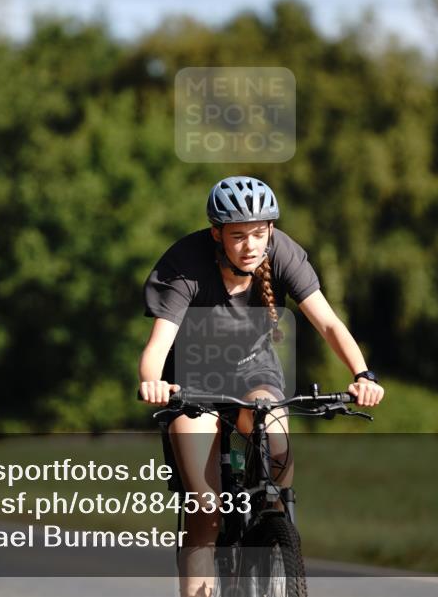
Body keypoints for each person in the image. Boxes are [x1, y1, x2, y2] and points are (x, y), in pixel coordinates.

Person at [138, 175, 384, 597]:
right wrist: (153, 382)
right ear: (217, 234)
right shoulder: (185, 264)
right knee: (206, 511)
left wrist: (362, 373)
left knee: (274, 435)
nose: (251, 245)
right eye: (238, 236)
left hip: (256, 372)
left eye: (259, 233)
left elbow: (327, 322)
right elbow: (158, 344)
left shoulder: (282, 253)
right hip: (194, 384)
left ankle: (273, 527)